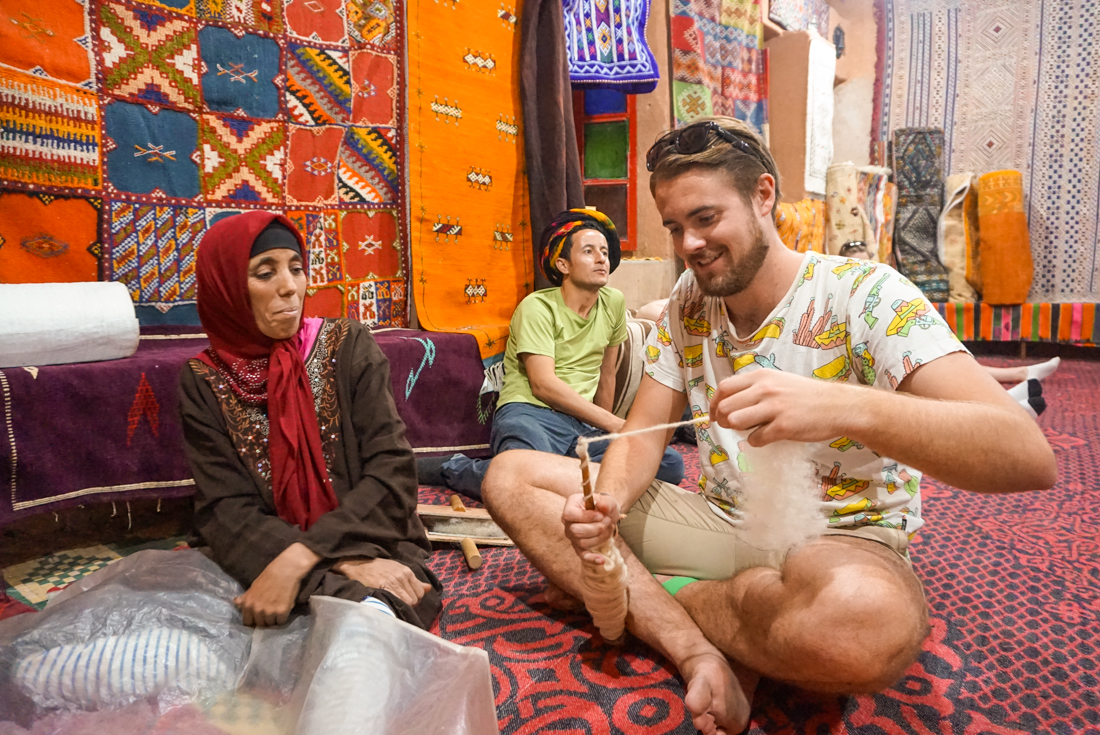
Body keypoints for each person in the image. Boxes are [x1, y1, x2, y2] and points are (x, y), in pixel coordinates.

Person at [481, 118, 1057, 734]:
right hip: (722, 525)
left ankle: (664, 597)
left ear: (762, 196)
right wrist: (611, 503)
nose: (688, 245)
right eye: (674, 227)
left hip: (841, 541)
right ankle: (698, 648)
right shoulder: (688, 302)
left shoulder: (866, 294)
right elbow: (642, 435)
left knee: (862, 628)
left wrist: (841, 406)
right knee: (513, 477)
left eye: (705, 219)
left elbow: (1027, 455)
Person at [178, 211, 441, 629]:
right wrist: (332, 563)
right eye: (265, 274)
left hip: (372, 540)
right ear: (226, 288)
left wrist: (301, 559)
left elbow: (391, 474)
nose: (290, 287)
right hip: (262, 550)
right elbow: (225, 508)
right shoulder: (205, 380)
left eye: (297, 269)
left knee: (384, 607)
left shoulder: (348, 345)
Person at [418, 208, 684, 498]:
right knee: (523, 477)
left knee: (669, 464)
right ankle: (456, 468)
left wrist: (606, 432)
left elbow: (606, 374)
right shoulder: (537, 307)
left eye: (605, 252)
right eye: (589, 251)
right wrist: (615, 424)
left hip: (582, 426)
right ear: (563, 264)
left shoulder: (614, 303)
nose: (601, 259)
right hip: (532, 413)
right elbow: (542, 385)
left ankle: (554, 477)